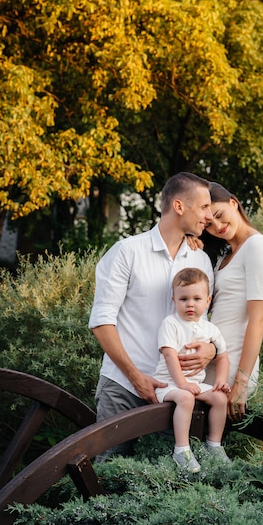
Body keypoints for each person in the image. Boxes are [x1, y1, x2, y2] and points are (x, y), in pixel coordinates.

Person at [89, 172, 217, 459]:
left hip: (175, 393)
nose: (209, 216)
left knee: (166, 485)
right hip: (122, 388)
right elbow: (101, 322)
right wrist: (135, 377)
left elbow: (201, 323)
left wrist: (211, 348)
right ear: (179, 206)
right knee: (107, 476)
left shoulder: (200, 260)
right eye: (204, 207)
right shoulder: (127, 252)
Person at [201, 182, 263, 422]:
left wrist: (241, 382)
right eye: (208, 224)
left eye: (220, 216)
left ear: (234, 203)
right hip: (214, 360)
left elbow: (259, 319)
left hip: (233, 366)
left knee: (208, 444)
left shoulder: (256, 246)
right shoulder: (226, 252)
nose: (217, 227)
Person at [154, 267, 231, 472]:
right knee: (186, 398)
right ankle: (182, 450)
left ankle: (213, 444)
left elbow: (222, 356)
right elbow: (170, 356)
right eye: (184, 299)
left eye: (197, 299)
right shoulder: (171, 323)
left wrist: (221, 380)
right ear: (174, 300)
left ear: (208, 301)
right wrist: (183, 384)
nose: (190, 304)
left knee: (220, 398)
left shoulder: (210, 329)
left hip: (193, 383)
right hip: (167, 384)